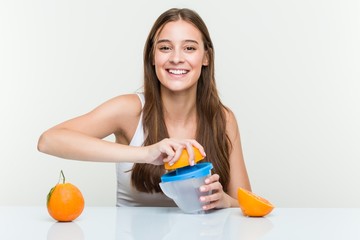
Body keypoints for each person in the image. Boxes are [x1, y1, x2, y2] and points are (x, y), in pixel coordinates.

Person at [37, 8, 251, 210]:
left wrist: (225, 201)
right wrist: (146, 153)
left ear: (206, 57)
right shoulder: (129, 110)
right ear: (152, 56)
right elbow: (49, 141)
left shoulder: (223, 119)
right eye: (165, 47)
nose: (176, 58)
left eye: (190, 48)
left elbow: (247, 204)